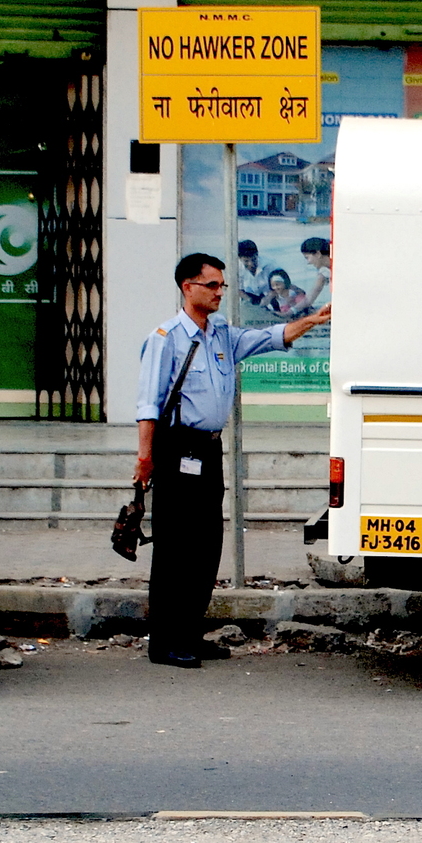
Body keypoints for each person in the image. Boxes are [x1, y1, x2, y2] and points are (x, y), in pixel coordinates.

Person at [134, 253, 331, 668]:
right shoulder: (165, 338)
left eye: (222, 285)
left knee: (206, 545)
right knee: (174, 549)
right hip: (176, 449)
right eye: (212, 285)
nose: (220, 292)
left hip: (208, 449)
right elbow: (148, 405)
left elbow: (271, 337)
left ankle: (190, 633)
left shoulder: (221, 333)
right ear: (188, 287)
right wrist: (145, 458)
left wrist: (312, 320)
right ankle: (165, 642)